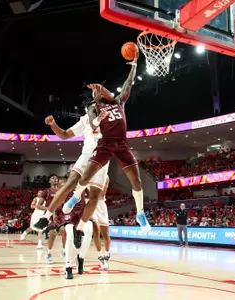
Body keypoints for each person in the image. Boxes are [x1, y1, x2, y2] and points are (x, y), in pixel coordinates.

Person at [63, 55, 151, 233]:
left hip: (122, 144)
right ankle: (75, 196)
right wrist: (98, 121)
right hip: (105, 143)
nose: (97, 93)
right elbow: (93, 122)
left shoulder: (118, 101)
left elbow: (128, 83)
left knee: (137, 180)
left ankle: (140, 214)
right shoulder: (93, 108)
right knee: (85, 177)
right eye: (95, 93)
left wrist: (134, 65)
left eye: (99, 91)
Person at [32, 109, 110, 232]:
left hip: (104, 156)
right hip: (87, 153)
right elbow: (64, 134)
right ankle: (46, 218)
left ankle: (80, 228)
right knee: (71, 182)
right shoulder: (85, 119)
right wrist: (53, 124)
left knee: (95, 196)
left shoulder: (111, 115)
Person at [21, 175, 59, 249]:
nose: (40, 193)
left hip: (44, 213)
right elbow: (32, 206)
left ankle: (40, 242)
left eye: (41, 192)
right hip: (37, 213)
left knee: (41, 229)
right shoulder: (36, 199)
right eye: (39, 192)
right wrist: (42, 207)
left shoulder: (47, 197)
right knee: (32, 228)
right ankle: (25, 233)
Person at [90, 176, 112, 270]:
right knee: (96, 230)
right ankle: (100, 256)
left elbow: (102, 192)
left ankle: (107, 254)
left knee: (105, 233)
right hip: (91, 204)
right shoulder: (89, 174)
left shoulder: (105, 176)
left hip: (101, 204)